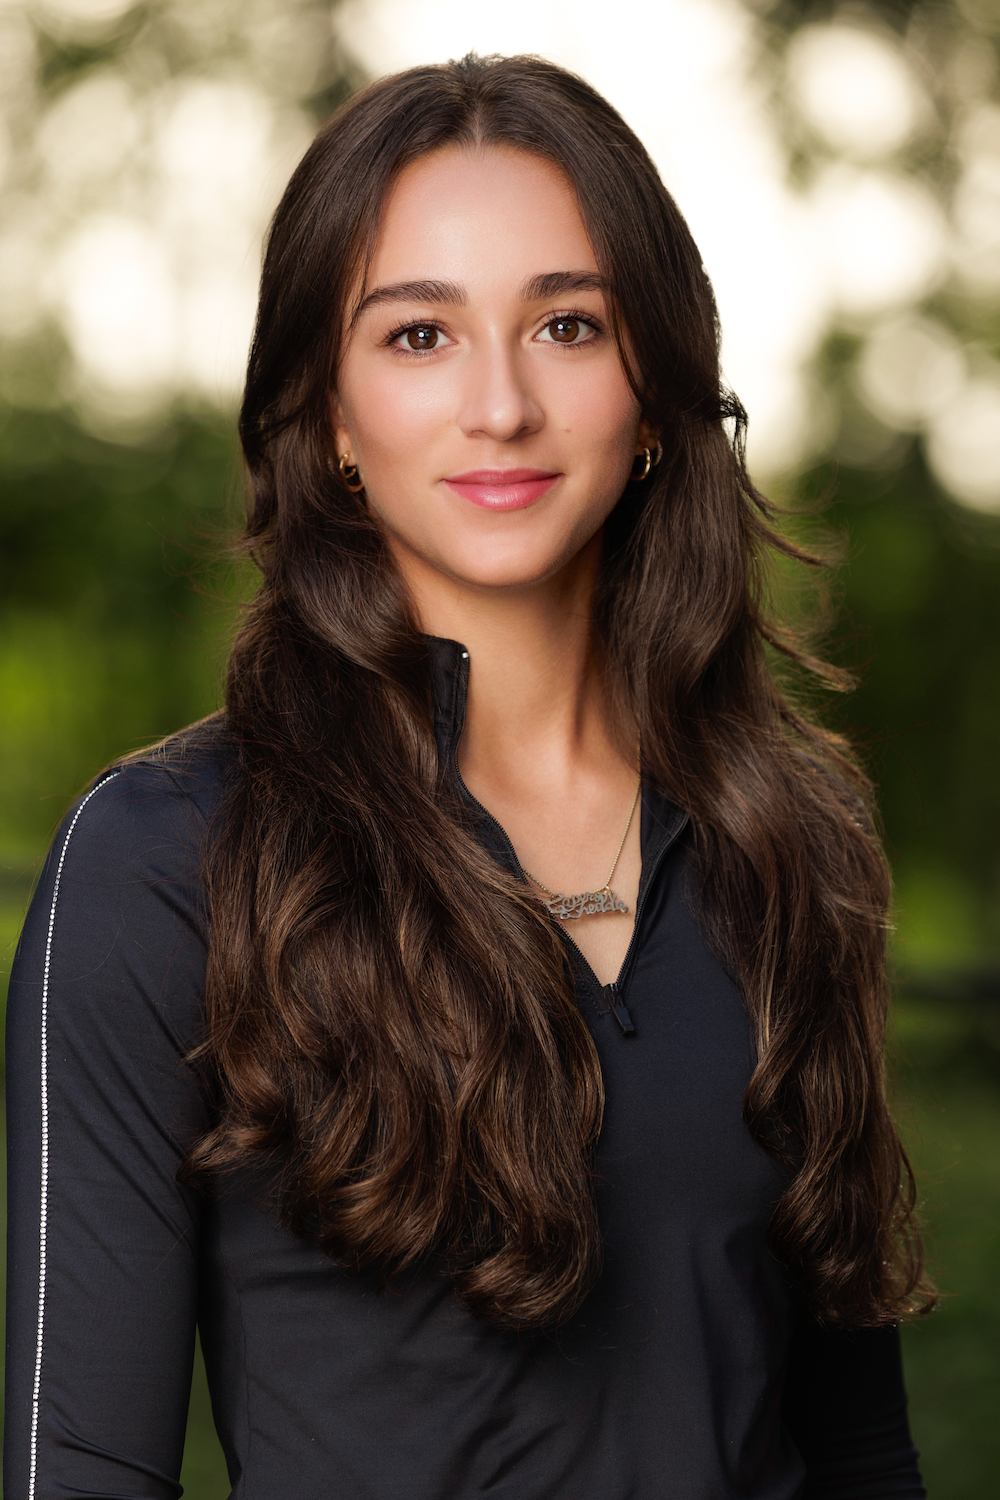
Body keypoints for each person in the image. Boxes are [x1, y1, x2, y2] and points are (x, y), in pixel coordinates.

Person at [5, 52, 933, 1500]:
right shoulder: (159, 865)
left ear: (655, 391)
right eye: (419, 336)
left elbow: (862, 1445)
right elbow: (80, 1467)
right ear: (325, 414)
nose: (500, 406)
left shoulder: (791, 840)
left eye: (568, 324)